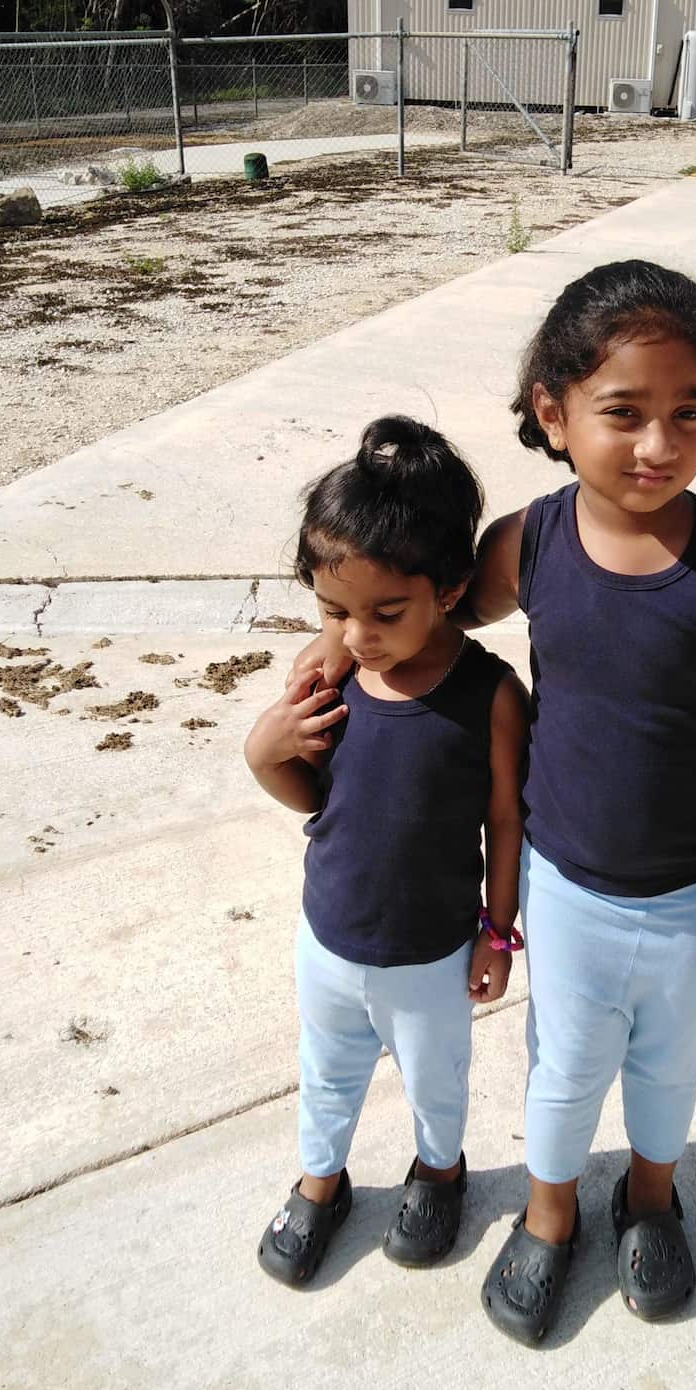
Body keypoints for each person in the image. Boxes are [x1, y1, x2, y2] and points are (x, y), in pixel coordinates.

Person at [294, 260, 696, 1343]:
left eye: (689, 414)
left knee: (670, 1064)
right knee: (563, 1069)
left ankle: (652, 1196)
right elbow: (417, 614)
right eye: (622, 412)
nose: (658, 444)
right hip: (566, 886)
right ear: (553, 412)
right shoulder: (529, 546)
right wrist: (335, 645)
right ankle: (549, 1208)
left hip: (693, 895)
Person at [245, 415, 529, 1288]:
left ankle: (439, 1170)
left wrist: (498, 930)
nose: (358, 633)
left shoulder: (489, 695)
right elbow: (305, 791)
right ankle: (320, 1181)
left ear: (447, 589)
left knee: (435, 1079)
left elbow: (507, 823)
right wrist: (270, 739)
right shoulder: (328, 671)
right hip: (328, 934)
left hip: (432, 951)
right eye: (335, 609)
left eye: (384, 611)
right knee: (325, 1073)